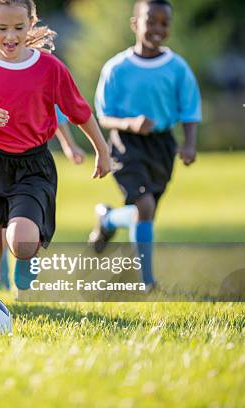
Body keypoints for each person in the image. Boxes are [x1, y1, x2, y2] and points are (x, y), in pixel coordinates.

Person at [0, 0, 111, 294]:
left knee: (21, 243)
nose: (10, 36)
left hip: (32, 167)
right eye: (2, 28)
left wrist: (102, 150)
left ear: (31, 24)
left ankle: (28, 255)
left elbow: (79, 111)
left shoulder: (49, 68)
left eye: (18, 28)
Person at [88, 0, 201, 288]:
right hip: (125, 145)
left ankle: (109, 219)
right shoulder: (116, 68)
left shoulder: (177, 67)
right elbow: (103, 115)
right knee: (145, 205)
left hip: (163, 145)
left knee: (144, 212)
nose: (157, 29)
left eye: (164, 23)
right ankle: (147, 282)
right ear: (135, 24)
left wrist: (189, 144)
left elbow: (189, 108)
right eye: (151, 21)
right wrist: (130, 123)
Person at [0, 106, 84, 291]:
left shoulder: (34, 78)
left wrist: (69, 145)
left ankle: (26, 255)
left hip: (28, 162)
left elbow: (55, 111)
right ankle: (0, 279)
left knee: (23, 217)